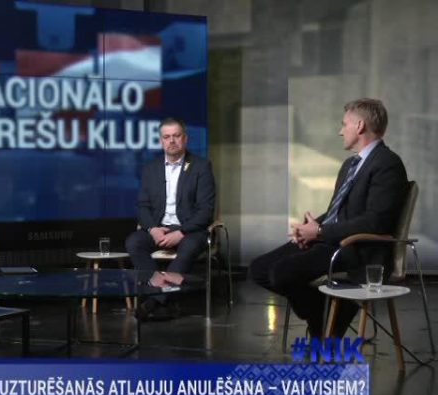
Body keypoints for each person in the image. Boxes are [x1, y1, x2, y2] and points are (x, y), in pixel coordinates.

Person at [250, 98, 407, 338]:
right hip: (332, 240)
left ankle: (326, 318)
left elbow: (376, 222)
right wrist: (311, 229)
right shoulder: (350, 164)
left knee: (281, 273)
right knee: (259, 269)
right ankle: (329, 314)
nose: (340, 131)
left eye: (344, 124)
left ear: (360, 126)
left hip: (357, 249)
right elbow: (338, 210)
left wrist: (320, 232)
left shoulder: (387, 164)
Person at [125, 118, 216, 318]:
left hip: (190, 230)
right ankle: (163, 300)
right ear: (161, 141)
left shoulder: (201, 167)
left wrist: (181, 232)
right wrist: (152, 229)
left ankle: (153, 302)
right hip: (160, 228)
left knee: (189, 247)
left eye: (176, 136)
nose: (171, 141)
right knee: (134, 242)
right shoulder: (151, 168)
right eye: (166, 137)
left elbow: (206, 210)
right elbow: (143, 206)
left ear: (185, 139)